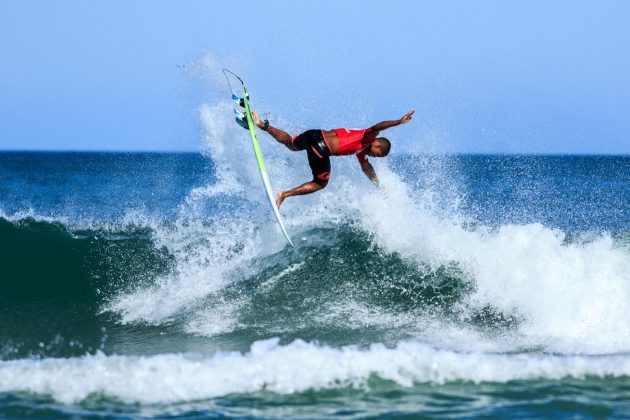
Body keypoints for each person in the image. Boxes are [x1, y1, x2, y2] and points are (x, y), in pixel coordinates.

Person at [251, 109, 415, 208]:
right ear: (378, 145)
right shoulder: (368, 137)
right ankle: (284, 194)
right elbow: (378, 126)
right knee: (320, 183)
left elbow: (367, 168)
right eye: (376, 154)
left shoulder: (362, 149)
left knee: (293, 144)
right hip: (322, 148)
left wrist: (378, 186)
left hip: (314, 134)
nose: (372, 156)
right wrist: (398, 122)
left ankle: (262, 124)